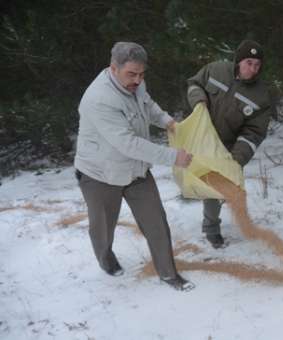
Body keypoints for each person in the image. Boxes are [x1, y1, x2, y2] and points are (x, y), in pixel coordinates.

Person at [74, 41, 194, 291]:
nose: (138, 80)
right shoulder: (99, 99)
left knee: (156, 223)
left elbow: (147, 105)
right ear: (113, 68)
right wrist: (173, 157)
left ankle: (168, 274)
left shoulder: (136, 83)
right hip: (100, 175)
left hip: (136, 170)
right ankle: (106, 260)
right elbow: (127, 143)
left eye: (141, 74)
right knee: (103, 227)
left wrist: (167, 121)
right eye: (132, 74)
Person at [186, 39, 272, 248]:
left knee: (215, 188)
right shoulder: (216, 70)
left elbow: (254, 132)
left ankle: (211, 229)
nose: (252, 69)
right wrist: (198, 100)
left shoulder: (261, 95)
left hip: (226, 148)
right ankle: (187, 193)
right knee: (191, 175)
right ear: (239, 60)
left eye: (257, 65)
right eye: (249, 62)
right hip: (199, 137)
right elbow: (194, 84)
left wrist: (236, 158)